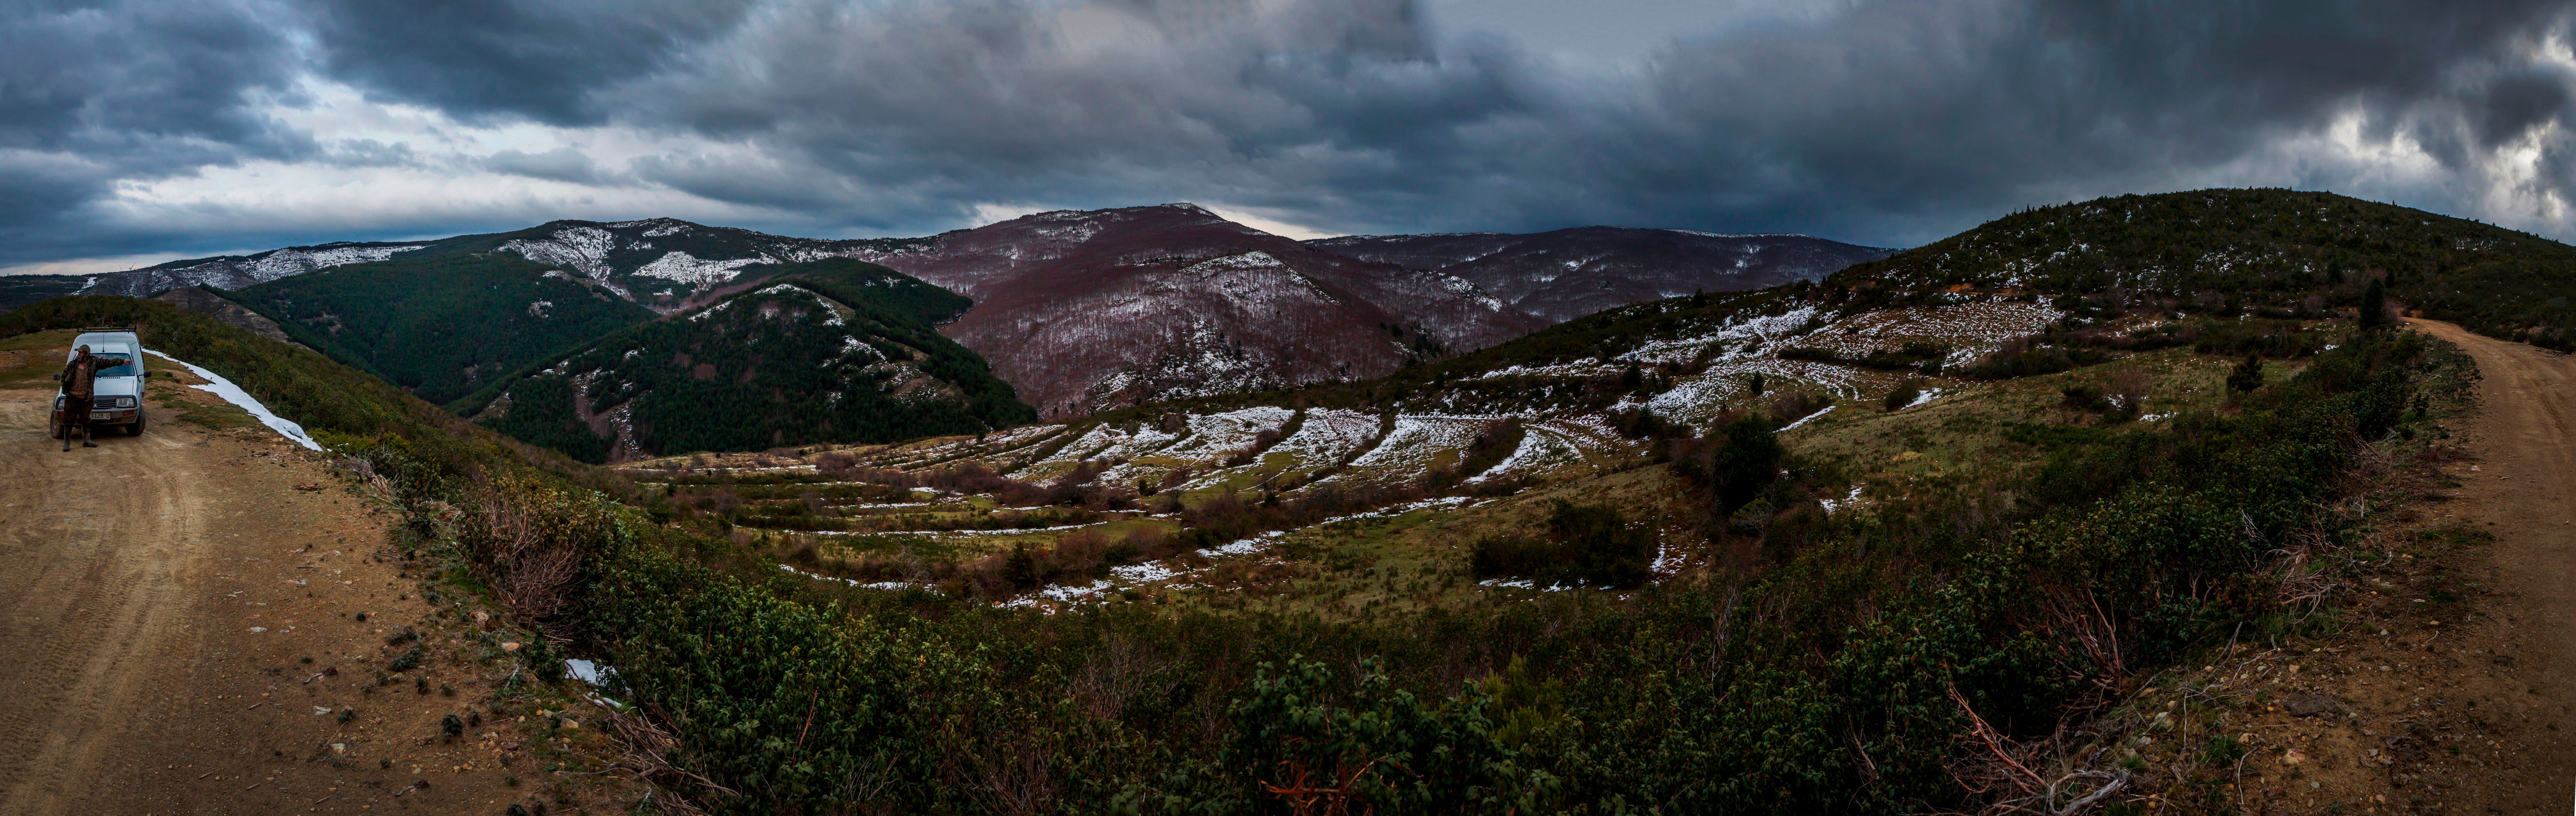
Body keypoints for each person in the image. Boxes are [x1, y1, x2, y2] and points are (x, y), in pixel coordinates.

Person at [55, 344, 97, 451]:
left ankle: (87, 440)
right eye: (78, 353)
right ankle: (67, 443)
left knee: (86, 420)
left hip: (86, 399)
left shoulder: (93, 364)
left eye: (81, 353)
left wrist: (122, 361)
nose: (79, 355)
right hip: (73, 398)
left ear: (87, 354)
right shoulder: (72, 365)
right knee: (69, 420)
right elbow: (63, 378)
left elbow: (108, 363)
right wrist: (66, 392)